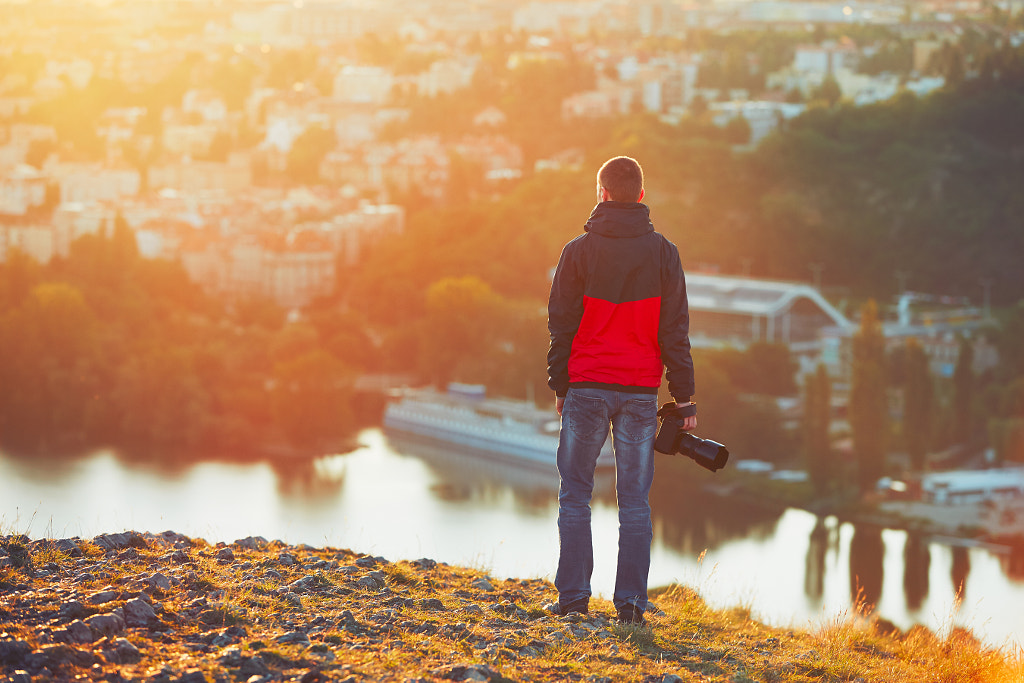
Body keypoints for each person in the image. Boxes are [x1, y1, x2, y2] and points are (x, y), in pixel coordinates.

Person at [546, 155, 696, 625]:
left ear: (602, 193)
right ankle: (630, 604)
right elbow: (675, 329)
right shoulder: (664, 253)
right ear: (641, 195)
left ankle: (573, 599)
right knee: (634, 502)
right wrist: (685, 396)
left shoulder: (578, 251)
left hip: (587, 386)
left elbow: (560, 324)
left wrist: (560, 384)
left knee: (575, 495)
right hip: (639, 392)